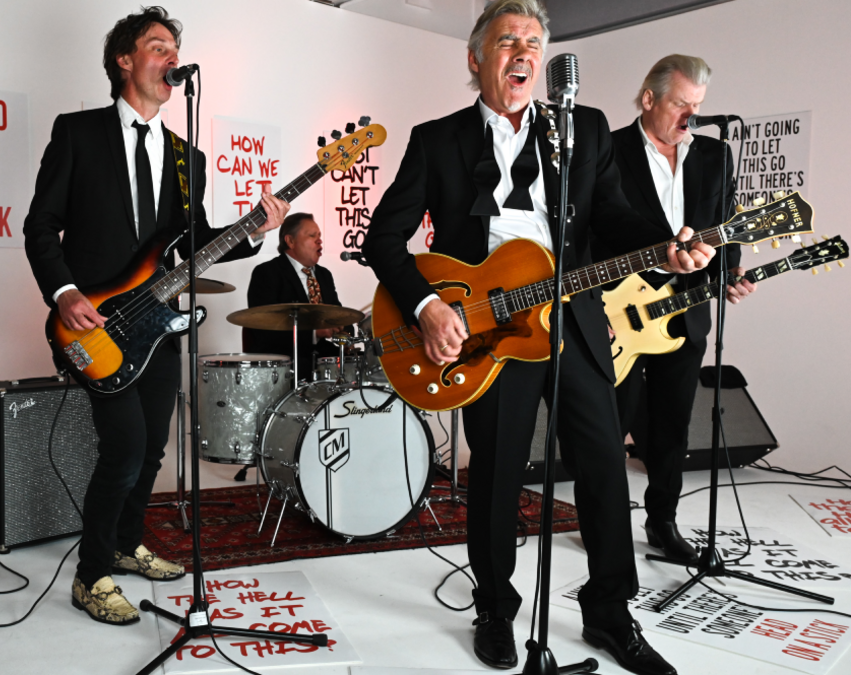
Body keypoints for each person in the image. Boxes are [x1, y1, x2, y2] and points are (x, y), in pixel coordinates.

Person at [363, 2, 712, 673]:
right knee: (496, 473)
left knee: (607, 462)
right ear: (476, 59)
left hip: (572, 321)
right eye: (506, 41)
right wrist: (429, 305)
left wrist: (664, 247)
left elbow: (612, 215)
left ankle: (610, 610)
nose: (523, 52)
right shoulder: (437, 140)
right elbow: (383, 239)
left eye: (533, 42)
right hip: (486, 331)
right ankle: (495, 606)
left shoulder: (581, 127)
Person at [23, 6, 287, 625]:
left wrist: (255, 228)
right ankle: (91, 576)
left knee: (151, 451)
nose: (172, 59)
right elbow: (39, 226)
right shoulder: (78, 132)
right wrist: (63, 292)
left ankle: (126, 541)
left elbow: (190, 247)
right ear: (124, 60)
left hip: (160, 325)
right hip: (97, 325)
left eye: (175, 49)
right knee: (124, 447)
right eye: (158, 46)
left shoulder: (184, 156)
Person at [605, 55, 756, 563]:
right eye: (680, 104)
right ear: (649, 99)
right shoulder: (609, 149)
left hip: (685, 310)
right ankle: (602, 523)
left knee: (672, 424)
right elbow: (594, 230)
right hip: (618, 312)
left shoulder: (715, 156)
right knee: (609, 423)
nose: (690, 115)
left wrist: (728, 273)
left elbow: (726, 222)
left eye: (698, 106)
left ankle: (662, 523)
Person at [244, 212, 344, 378]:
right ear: (290, 241)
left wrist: (343, 330)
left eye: (319, 236)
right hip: (283, 363)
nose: (320, 240)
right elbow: (264, 329)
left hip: (322, 359)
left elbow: (339, 313)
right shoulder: (267, 272)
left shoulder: (324, 275)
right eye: (312, 235)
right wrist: (315, 333)